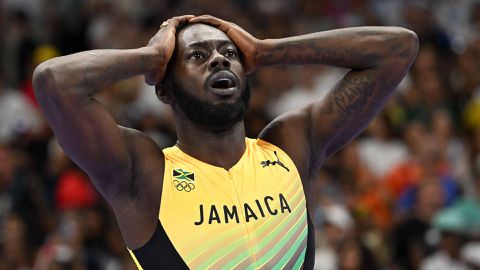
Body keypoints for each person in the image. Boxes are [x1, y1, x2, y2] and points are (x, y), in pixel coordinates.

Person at [32, 14, 418, 269]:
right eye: (196, 56)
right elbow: (54, 81)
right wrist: (152, 56)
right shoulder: (145, 176)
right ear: (164, 90)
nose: (219, 60)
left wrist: (265, 50)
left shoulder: (290, 147)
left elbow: (398, 48)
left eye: (229, 53)